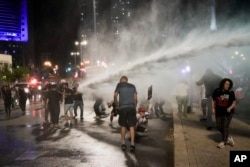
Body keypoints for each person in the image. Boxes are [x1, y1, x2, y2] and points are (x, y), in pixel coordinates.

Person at [114, 76, 137, 152]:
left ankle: (123, 144)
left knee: (123, 126)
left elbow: (115, 95)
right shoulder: (133, 86)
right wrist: (134, 106)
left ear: (121, 80)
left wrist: (116, 105)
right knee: (131, 126)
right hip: (131, 108)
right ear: (127, 80)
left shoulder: (119, 85)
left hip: (123, 108)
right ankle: (132, 144)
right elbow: (135, 98)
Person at [212, 78, 236, 149]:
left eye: (229, 84)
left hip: (228, 112)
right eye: (226, 84)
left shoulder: (231, 92)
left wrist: (230, 108)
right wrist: (213, 108)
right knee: (219, 126)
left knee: (225, 127)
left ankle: (223, 142)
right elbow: (213, 100)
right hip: (219, 111)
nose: (227, 86)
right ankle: (228, 138)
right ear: (223, 84)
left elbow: (234, 103)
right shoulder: (217, 91)